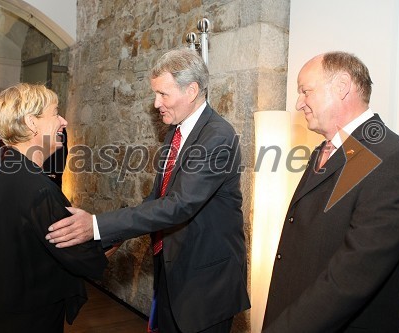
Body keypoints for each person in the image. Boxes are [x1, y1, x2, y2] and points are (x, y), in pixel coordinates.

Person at [46, 48, 250, 333]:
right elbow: (158, 196)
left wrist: (95, 225)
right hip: (172, 270)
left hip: (205, 281)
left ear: (191, 91)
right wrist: (112, 236)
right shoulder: (176, 132)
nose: (156, 104)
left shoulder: (217, 136)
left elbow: (178, 206)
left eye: (163, 94)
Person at [262, 52, 399, 332]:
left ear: (343, 85)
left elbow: (354, 273)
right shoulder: (324, 150)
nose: (299, 103)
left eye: (305, 91)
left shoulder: (395, 158)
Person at [0, 83, 108, 333]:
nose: (63, 121)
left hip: (8, 310)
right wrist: (117, 229)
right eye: (55, 112)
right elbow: (86, 258)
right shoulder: (38, 189)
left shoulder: (10, 171)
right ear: (32, 123)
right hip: (31, 319)